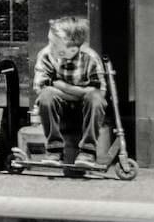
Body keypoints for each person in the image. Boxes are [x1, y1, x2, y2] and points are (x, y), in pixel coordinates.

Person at [33, 16, 106, 165]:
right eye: (49, 41)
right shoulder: (46, 55)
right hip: (59, 111)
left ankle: (87, 151)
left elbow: (99, 91)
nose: (50, 46)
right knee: (46, 96)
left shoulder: (90, 58)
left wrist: (62, 86)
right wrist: (81, 92)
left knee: (96, 99)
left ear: (72, 49)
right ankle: (54, 149)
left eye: (54, 44)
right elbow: (40, 88)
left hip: (84, 110)